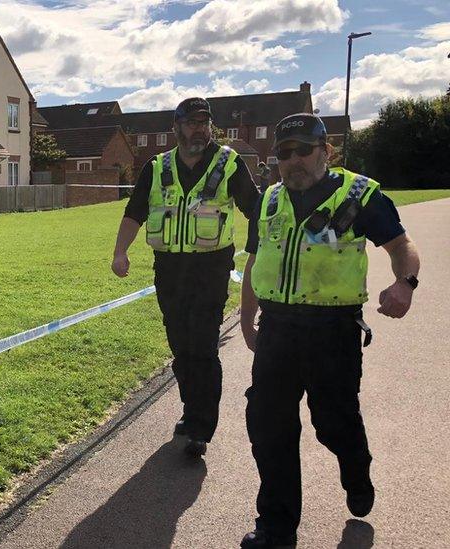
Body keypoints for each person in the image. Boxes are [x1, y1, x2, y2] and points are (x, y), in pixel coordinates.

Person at [239, 113, 421, 548]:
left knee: (333, 423)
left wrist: (405, 283)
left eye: (303, 149)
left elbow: (401, 246)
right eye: (284, 153)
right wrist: (246, 319)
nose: (293, 160)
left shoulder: (359, 195)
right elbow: (254, 261)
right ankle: (276, 528)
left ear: (325, 151)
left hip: (332, 332)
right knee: (268, 425)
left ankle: (356, 469)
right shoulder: (268, 201)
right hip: (278, 329)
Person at [111, 97, 259, 457]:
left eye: (204, 122)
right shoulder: (157, 166)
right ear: (176, 127)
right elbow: (135, 211)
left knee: (203, 345)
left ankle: (200, 428)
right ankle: (192, 410)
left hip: (210, 267)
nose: (199, 128)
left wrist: (258, 252)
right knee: (180, 346)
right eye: (191, 122)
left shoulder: (228, 164)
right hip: (170, 269)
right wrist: (120, 251)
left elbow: (256, 209)